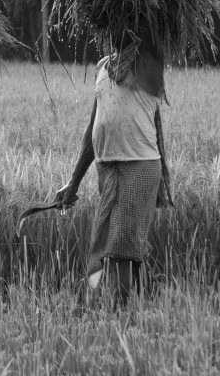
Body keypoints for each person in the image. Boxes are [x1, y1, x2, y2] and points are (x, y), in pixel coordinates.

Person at [53, 28, 171, 306]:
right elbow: (94, 130)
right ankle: (140, 308)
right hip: (107, 169)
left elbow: (150, 26)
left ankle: (119, 315)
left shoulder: (147, 63)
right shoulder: (103, 67)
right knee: (109, 248)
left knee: (120, 250)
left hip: (139, 166)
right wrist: (73, 182)